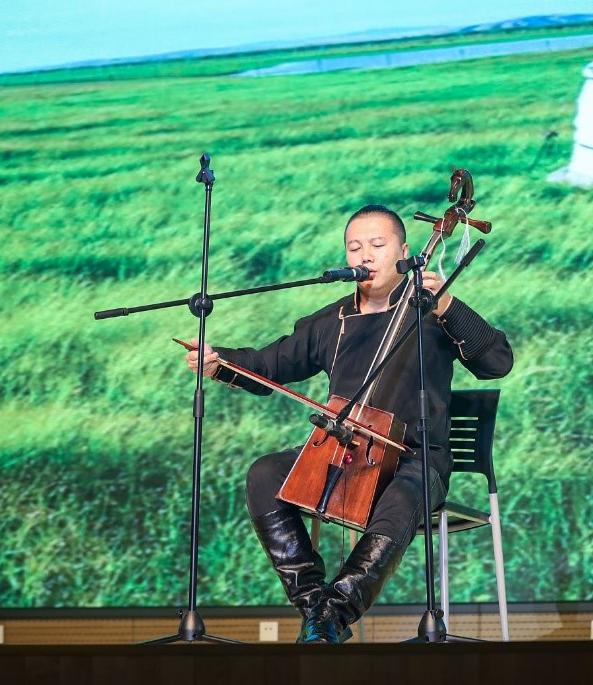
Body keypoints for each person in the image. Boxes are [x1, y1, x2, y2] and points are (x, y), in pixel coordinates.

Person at [182, 204, 513, 643]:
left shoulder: (432, 312)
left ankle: (335, 615)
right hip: (345, 453)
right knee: (265, 474)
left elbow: (497, 362)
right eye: (355, 247)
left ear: (405, 250)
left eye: (378, 245)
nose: (365, 256)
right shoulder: (332, 320)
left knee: (403, 495)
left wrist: (449, 305)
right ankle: (314, 606)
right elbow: (269, 364)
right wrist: (219, 363)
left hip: (416, 459)